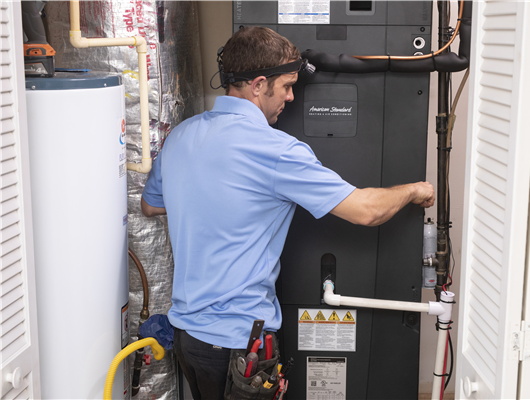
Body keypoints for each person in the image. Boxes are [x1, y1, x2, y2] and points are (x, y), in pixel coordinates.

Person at [141, 26, 434, 399]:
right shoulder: (276, 151)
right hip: (238, 345)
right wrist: (413, 190)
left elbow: (150, 205)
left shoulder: (181, 136)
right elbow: (366, 211)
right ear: (259, 85)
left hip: (189, 340)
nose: (292, 97)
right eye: (287, 87)